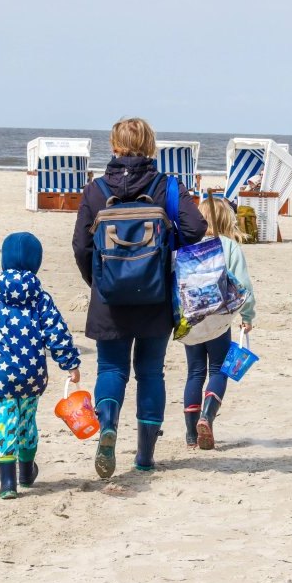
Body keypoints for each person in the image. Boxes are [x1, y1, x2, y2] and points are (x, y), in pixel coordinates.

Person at [71, 117, 206, 478]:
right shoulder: (168, 186)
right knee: (150, 373)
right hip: (156, 296)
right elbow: (197, 229)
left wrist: (98, 282)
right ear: (150, 147)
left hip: (108, 299)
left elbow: (81, 246)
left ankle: (109, 425)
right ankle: (145, 456)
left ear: (114, 146)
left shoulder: (96, 189)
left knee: (112, 369)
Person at [0, 232, 81, 499]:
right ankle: (26, 472)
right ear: (36, 263)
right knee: (27, 423)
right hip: (32, 376)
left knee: (4, 423)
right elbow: (57, 332)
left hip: (1, 375)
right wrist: (70, 363)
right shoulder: (40, 298)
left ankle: (8, 483)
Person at [182, 197, 256, 451]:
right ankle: (207, 417)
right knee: (219, 369)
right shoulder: (229, 246)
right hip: (219, 319)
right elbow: (243, 285)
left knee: (194, 372)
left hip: (191, 318)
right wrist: (247, 316)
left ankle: (191, 434)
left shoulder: (188, 244)